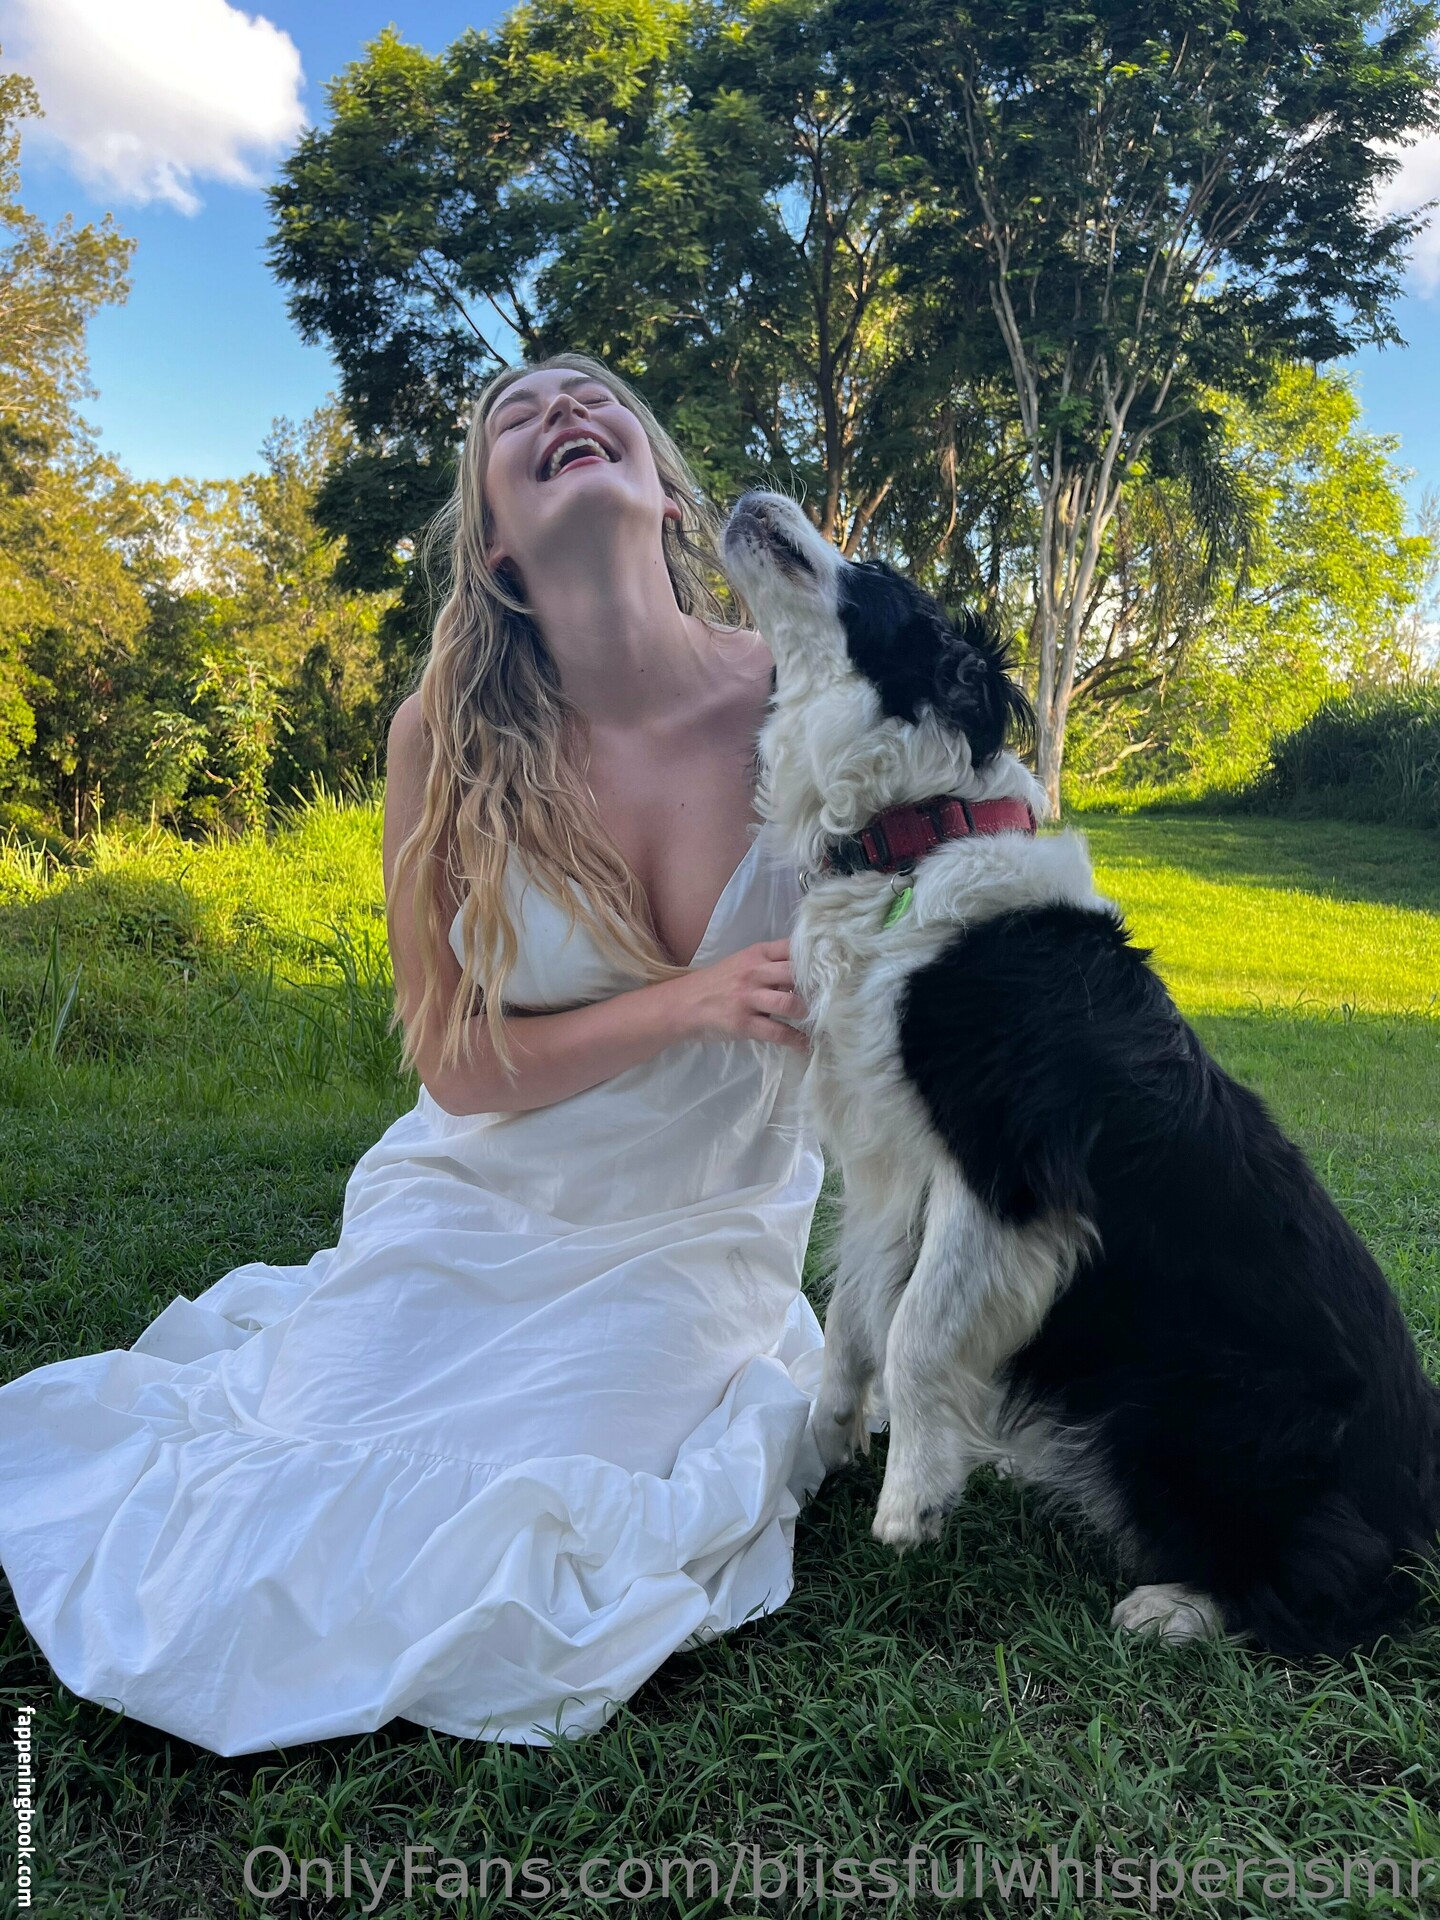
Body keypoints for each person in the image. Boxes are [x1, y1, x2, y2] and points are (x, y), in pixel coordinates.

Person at [0, 353, 838, 1757]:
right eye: (518, 413)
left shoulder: (808, 685)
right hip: (478, 1195)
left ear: (669, 497)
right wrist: (692, 1003)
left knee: (534, 1521)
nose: (562, 408)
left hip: (693, 1225)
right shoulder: (443, 738)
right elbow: (454, 1062)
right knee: (270, 1507)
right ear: (496, 538)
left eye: (596, 396)